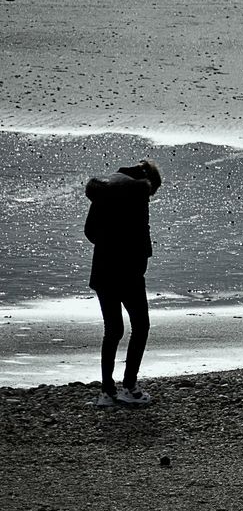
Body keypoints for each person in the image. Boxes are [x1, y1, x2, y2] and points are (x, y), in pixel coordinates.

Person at [85, 160, 162, 407]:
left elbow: (90, 232)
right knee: (141, 326)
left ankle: (107, 391)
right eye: (153, 193)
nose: (151, 197)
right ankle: (130, 386)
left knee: (113, 330)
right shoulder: (138, 191)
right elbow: (142, 234)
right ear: (150, 183)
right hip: (128, 272)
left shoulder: (104, 187)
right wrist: (140, 262)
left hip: (102, 271)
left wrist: (109, 243)